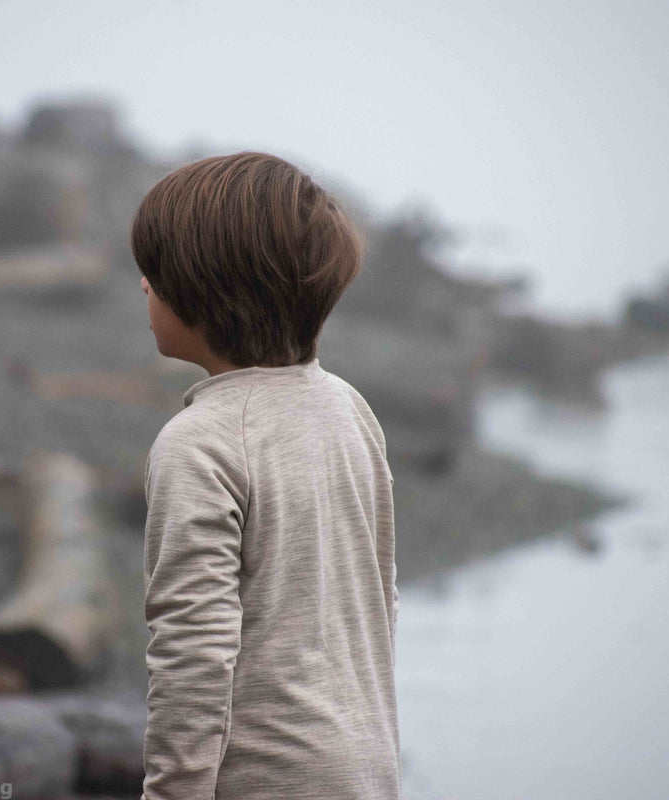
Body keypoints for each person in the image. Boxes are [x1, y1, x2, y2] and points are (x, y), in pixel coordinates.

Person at [131, 151, 401, 800]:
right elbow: (380, 598)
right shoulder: (349, 407)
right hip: (367, 768)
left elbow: (192, 653)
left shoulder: (199, 442)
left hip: (266, 778)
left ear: (204, 291)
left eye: (155, 273)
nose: (142, 286)